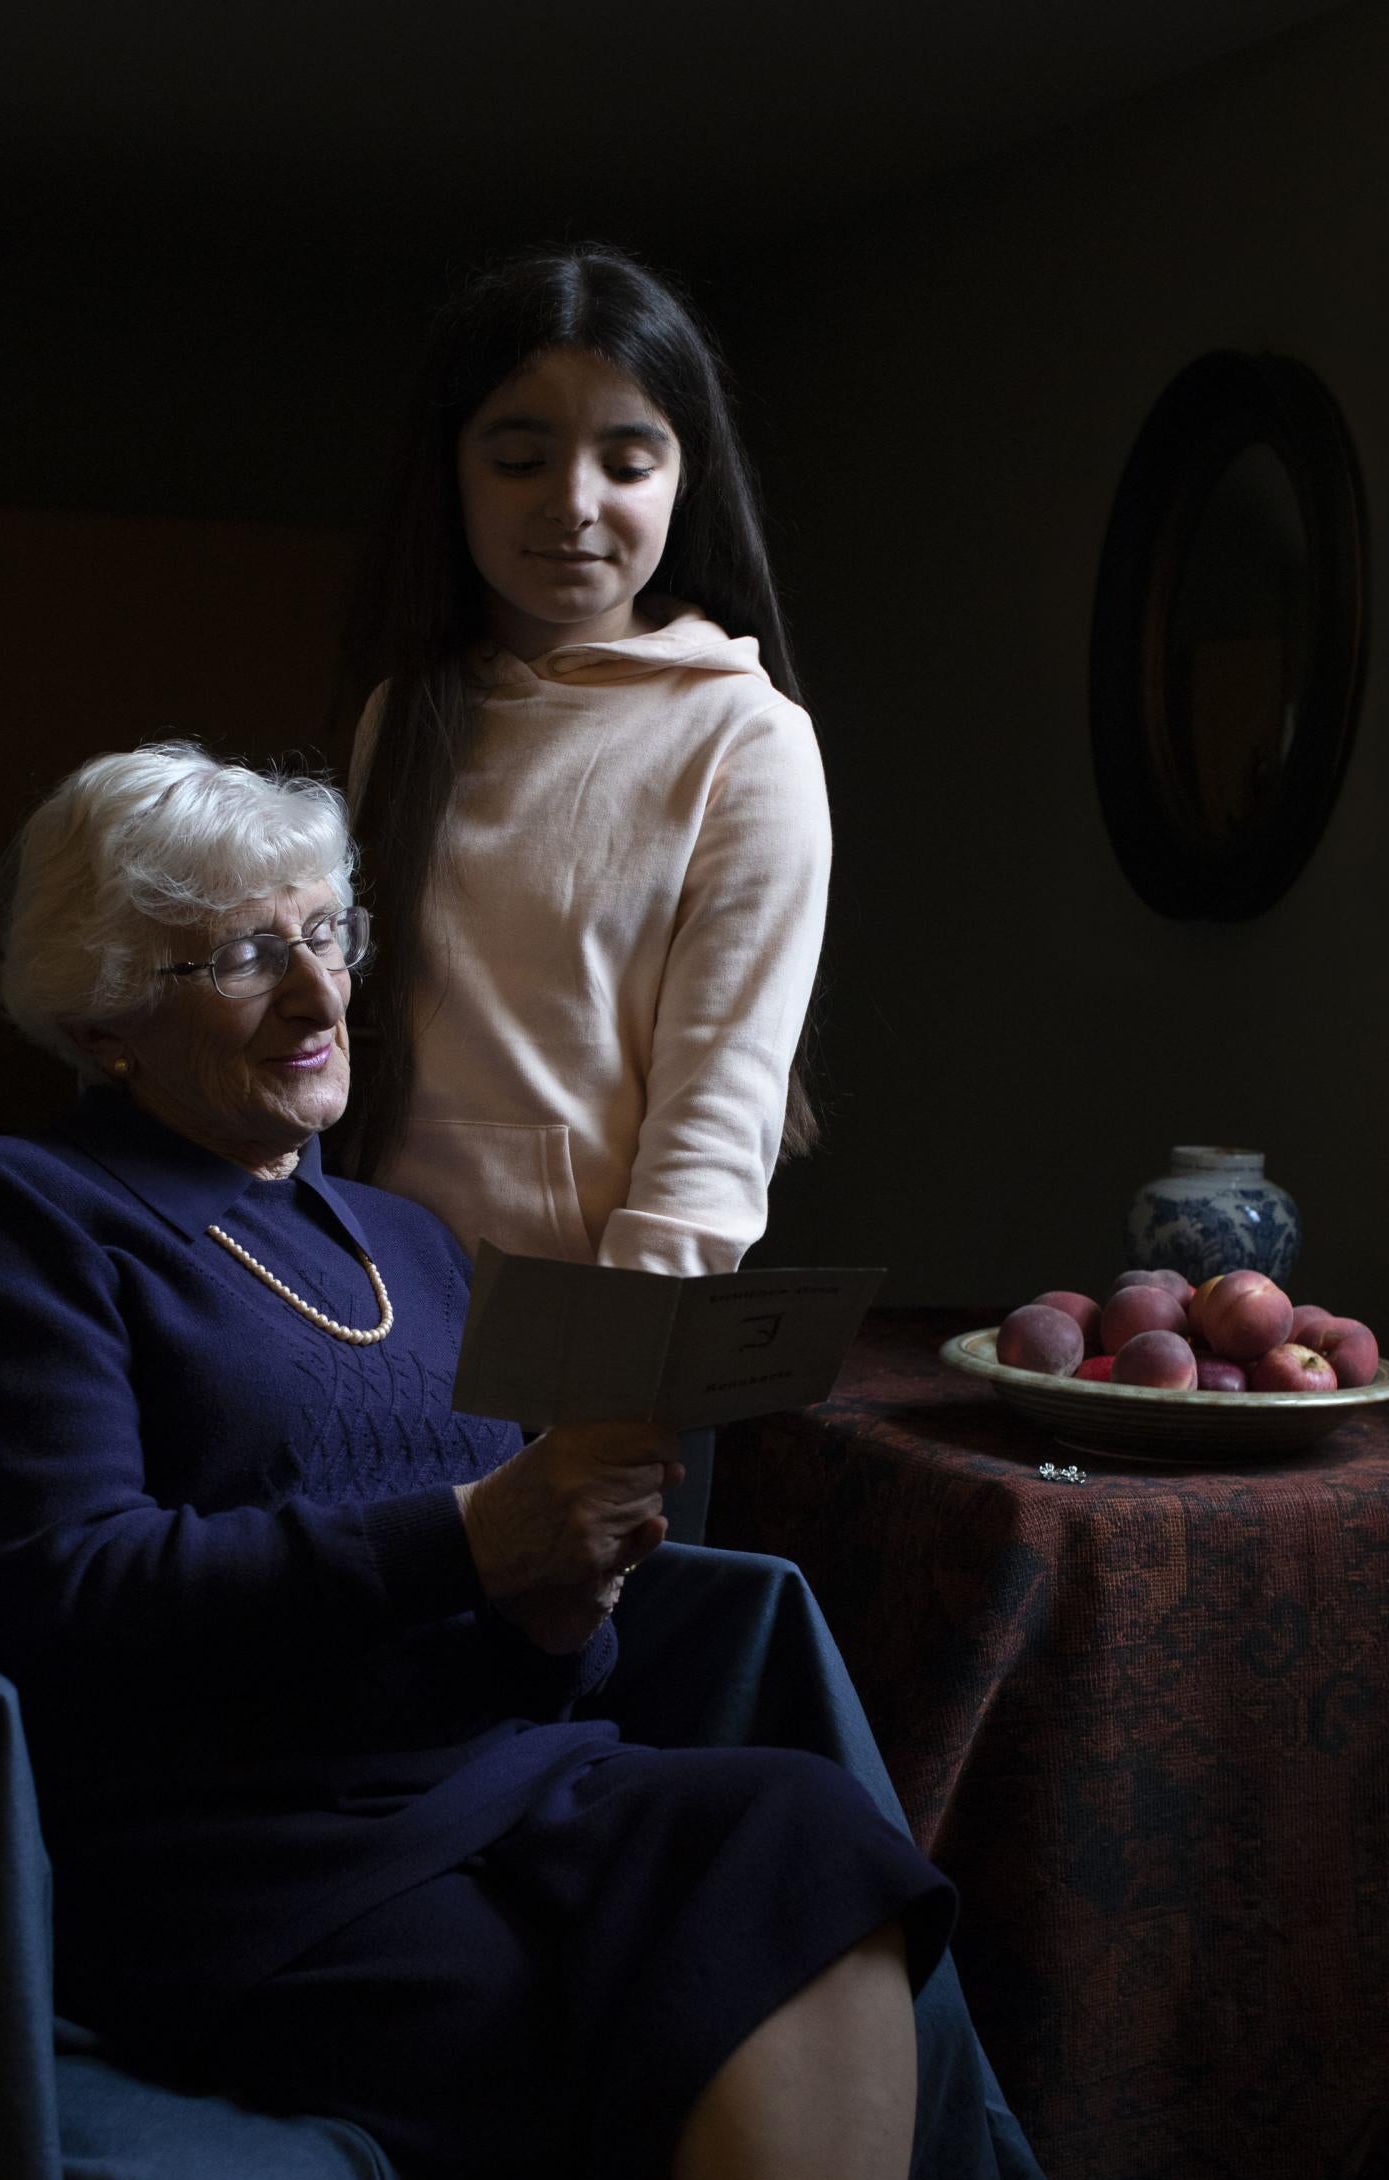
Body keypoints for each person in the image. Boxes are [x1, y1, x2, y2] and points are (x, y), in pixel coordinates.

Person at [0, 745, 1236, 2180]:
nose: (315, 990)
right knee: (664, 2072)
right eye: (237, 955)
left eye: (328, 930)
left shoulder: (407, 1243)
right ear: (101, 1020)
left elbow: (526, 1639)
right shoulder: (26, 1217)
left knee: (805, 1839)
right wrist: (470, 1539)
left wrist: (561, 1597)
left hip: (505, 1788)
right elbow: (64, 1593)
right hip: (242, 1864)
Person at [339, 244, 831, 1534]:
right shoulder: (407, 714)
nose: (572, 501)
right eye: (518, 456)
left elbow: (720, 1106)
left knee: (581, 1720)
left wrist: (615, 1388)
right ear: (451, 472)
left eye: (627, 457)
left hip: (598, 1358)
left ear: (686, 479)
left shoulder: (745, 738)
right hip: (365, 1314)